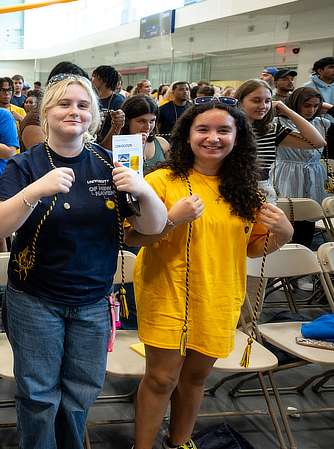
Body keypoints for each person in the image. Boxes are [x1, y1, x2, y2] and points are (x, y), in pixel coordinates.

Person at [0, 75, 166, 449]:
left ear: (94, 116)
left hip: (94, 301)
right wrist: (36, 190)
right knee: (38, 396)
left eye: (83, 105)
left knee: (80, 393)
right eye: (64, 104)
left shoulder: (109, 164)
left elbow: (153, 226)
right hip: (35, 300)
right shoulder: (26, 164)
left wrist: (143, 188)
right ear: (46, 112)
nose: (74, 111)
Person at [127, 99, 293, 449]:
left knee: (196, 378)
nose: (212, 138)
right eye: (203, 129)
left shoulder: (247, 191)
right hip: (167, 292)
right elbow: (133, 238)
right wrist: (172, 219)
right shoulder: (161, 182)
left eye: (223, 131)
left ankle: (179, 443)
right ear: (187, 136)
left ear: (237, 138)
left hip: (218, 295)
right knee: (160, 379)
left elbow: (252, 250)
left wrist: (284, 235)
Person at [234, 79, 326, 203]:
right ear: (239, 103)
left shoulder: (270, 130)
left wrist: (288, 111)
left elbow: (318, 142)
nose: (263, 106)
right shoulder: (226, 129)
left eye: (267, 101)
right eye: (256, 101)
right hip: (232, 188)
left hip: (262, 191)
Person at [274, 87, 332, 250]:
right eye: (307, 105)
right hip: (288, 171)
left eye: (316, 106)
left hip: (314, 173)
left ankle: (304, 258)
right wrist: (288, 111)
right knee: (287, 216)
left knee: (309, 217)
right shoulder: (279, 122)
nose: (311, 110)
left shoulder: (321, 122)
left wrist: (330, 108)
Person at [120, 94, 171, 173]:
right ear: (127, 120)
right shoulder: (118, 145)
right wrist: (132, 144)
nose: (148, 127)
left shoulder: (162, 143)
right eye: (141, 121)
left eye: (152, 121)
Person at [90, 65, 125, 144]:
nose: (91, 79)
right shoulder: (92, 99)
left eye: (94, 76)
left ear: (104, 80)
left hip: (110, 145)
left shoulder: (118, 101)